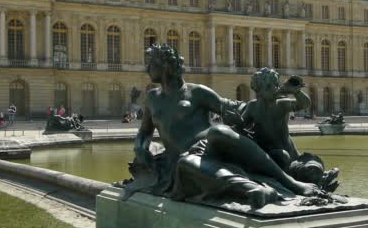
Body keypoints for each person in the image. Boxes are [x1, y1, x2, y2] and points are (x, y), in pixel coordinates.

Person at [135, 45, 324, 209]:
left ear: (165, 65)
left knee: (218, 130)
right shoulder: (152, 98)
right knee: (186, 164)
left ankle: (290, 182)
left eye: (150, 63)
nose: (147, 68)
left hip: (212, 146)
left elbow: (232, 107)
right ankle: (255, 190)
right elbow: (145, 131)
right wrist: (140, 147)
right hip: (184, 156)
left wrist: (266, 100)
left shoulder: (197, 92)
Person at [231, 68, 339, 192]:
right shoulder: (252, 106)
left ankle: (318, 180)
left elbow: (304, 104)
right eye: (269, 86)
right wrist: (235, 121)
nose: (275, 88)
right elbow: (240, 127)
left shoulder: (281, 104)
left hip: (290, 155)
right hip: (268, 155)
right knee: (281, 159)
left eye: (276, 85)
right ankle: (306, 182)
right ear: (258, 89)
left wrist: (296, 91)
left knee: (308, 166)